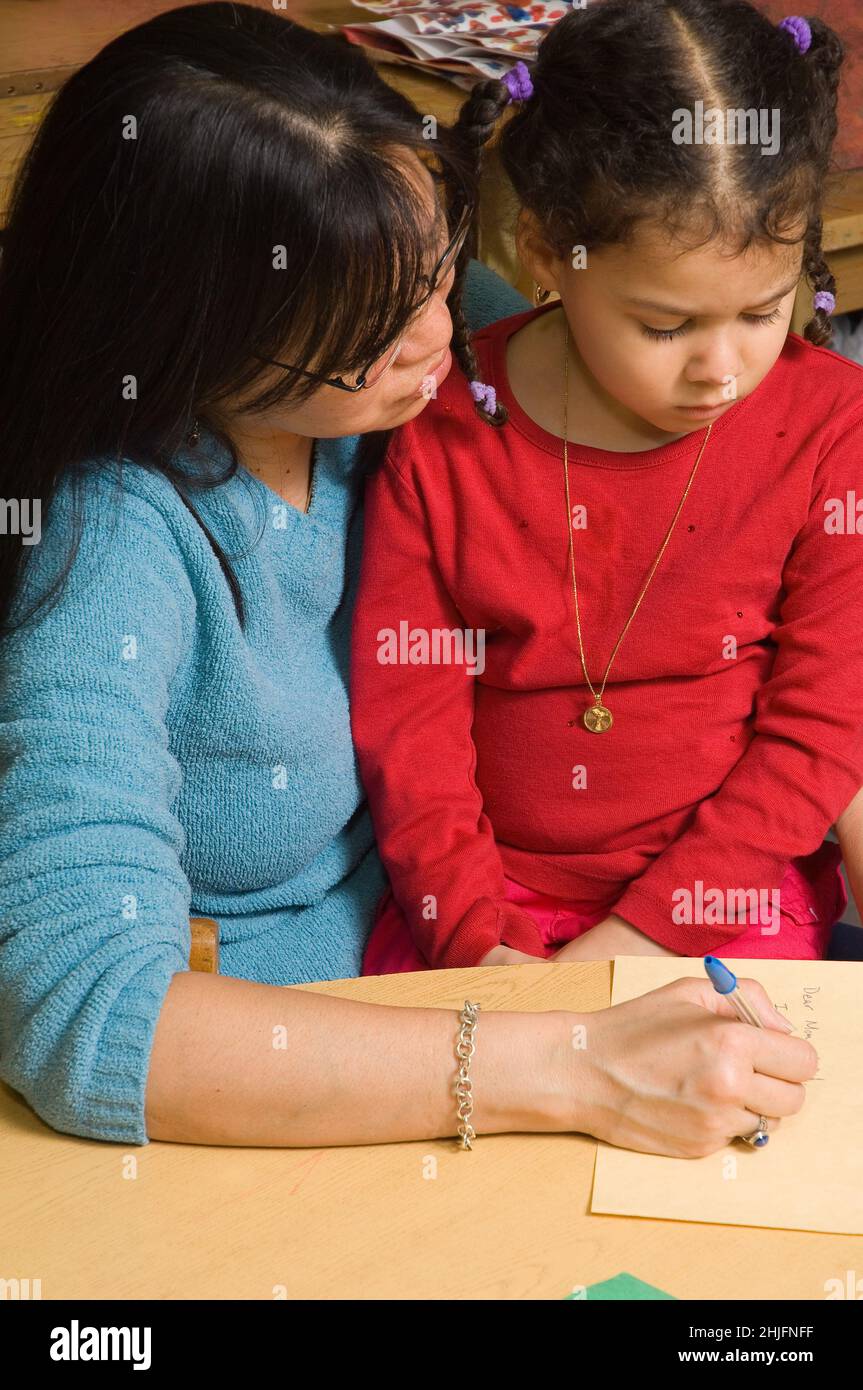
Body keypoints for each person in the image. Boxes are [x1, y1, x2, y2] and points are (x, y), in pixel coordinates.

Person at [0, 3, 820, 1158]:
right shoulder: (116, 550)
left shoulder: (435, 364)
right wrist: (567, 1060)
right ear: (195, 335)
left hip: (478, 975)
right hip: (297, 1073)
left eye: (442, 267)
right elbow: (81, 1012)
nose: (442, 336)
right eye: (375, 328)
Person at [349, 0, 863, 979]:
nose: (721, 368)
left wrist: (632, 945)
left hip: (720, 902)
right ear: (545, 255)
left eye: (761, 310)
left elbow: (819, 731)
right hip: (477, 908)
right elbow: (408, 722)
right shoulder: (447, 423)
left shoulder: (829, 429)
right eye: (664, 326)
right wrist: (473, 940)